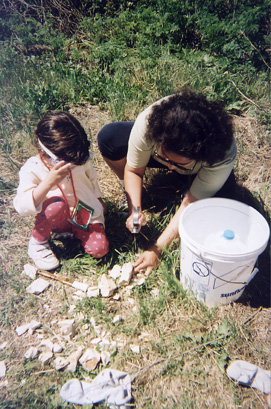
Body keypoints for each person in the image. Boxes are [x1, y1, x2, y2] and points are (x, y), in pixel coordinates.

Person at [97, 88, 236, 275]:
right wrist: (135, 210)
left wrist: (158, 249)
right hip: (175, 154)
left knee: (224, 203)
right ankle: (138, 187)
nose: (169, 168)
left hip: (199, 170)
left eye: (177, 164)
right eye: (166, 158)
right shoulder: (149, 124)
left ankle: (189, 176)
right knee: (110, 137)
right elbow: (134, 170)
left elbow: (191, 202)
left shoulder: (221, 155)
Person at [14, 112, 109, 270]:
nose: (74, 164)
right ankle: (38, 243)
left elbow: (91, 179)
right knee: (55, 206)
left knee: (100, 249)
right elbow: (21, 206)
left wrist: (98, 200)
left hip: (85, 215)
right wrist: (48, 182)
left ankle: (76, 233)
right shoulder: (32, 168)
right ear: (49, 153)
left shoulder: (78, 157)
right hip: (56, 218)